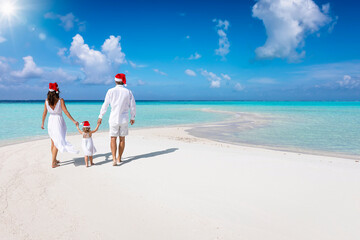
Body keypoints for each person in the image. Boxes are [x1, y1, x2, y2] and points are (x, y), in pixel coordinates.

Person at [98, 73, 136, 166]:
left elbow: (105, 105)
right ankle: (119, 158)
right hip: (124, 119)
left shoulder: (110, 91)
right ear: (123, 81)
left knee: (113, 138)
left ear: (115, 81)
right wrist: (132, 117)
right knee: (122, 139)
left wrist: (100, 116)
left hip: (113, 118)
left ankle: (114, 159)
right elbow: (133, 105)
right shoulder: (128, 92)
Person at [41, 82, 79, 168]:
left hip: (50, 121)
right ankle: (53, 163)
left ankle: (54, 159)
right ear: (56, 91)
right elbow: (66, 112)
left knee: (53, 142)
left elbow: (44, 113)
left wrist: (42, 123)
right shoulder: (60, 100)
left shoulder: (46, 101)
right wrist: (74, 121)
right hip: (58, 121)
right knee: (56, 143)